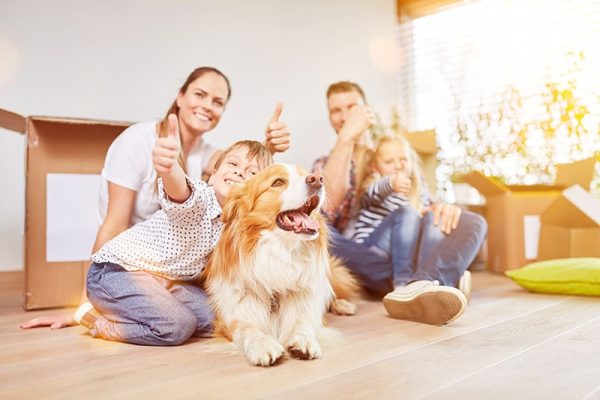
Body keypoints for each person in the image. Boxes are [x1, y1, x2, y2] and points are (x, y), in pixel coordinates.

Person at [21, 66, 289, 330]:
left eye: (217, 102)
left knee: (217, 317)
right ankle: (117, 318)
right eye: (200, 94)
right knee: (179, 325)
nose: (208, 105)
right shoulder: (137, 142)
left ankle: (165, 299)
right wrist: (86, 303)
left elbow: (243, 172)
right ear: (180, 97)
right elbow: (117, 222)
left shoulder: (206, 154)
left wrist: (270, 148)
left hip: (168, 271)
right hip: (128, 263)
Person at [74, 117, 273, 345]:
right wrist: (170, 168)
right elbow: (181, 189)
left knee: (219, 318)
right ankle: (98, 321)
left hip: (164, 280)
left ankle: (151, 305)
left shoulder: (240, 223)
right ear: (214, 172)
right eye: (233, 164)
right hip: (115, 272)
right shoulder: (199, 200)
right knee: (177, 326)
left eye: (252, 173)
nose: (240, 173)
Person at [313, 81, 487, 326]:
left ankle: (425, 283)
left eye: (351, 107)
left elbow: (425, 203)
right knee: (318, 233)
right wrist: (346, 139)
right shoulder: (325, 163)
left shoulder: (394, 154)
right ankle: (438, 277)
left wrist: (442, 208)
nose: (344, 116)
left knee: (472, 221)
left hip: (410, 248)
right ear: (330, 118)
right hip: (367, 261)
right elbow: (325, 209)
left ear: (367, 110)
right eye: (336, 111)